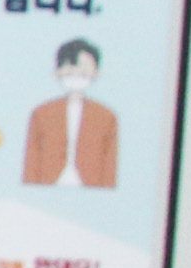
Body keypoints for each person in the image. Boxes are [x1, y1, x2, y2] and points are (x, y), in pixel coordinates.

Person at [22, 36, 120, 188]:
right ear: (57, 71)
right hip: (48, 183)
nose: (76, 72)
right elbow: (32, 159)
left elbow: (110, 164)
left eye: (84, 68)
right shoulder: (42, 113)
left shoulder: (106, 116)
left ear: (96, 72)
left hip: (91, 185)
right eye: (70, 67)